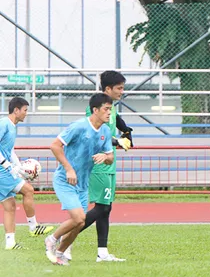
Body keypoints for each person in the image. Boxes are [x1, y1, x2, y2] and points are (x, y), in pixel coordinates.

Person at [44, 93, 114, 266]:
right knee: (78, 218)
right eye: (106, 109)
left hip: (82, 184)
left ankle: (60, 254)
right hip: (65, 180)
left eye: (110, 110)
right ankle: (52, 239)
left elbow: (110, 157)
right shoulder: (79, 126)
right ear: (95, 110)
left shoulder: (105, 130)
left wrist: (104, 157)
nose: (109, 113)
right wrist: (69, 169)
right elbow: (55, 145)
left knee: (79, 224)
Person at [69, 70, 132, 263]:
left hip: (109, 163)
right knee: (102, 207)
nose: (122, 92)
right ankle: (63, 239)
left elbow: (120, 124)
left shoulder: (111, 109)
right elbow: (95, 135)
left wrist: (127, 132)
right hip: (98, 164)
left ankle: (102, 253)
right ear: (108, 89)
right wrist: (118, 142)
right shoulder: (96, 109)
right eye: (119, 88)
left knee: (106, 208)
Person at [0, 97, 53, 250]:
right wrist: (8, 166)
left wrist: (19, 167)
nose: (26, 114)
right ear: (16, 110)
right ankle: (33, 227)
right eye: (25, 110)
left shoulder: (12, 126)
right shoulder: (4, 124)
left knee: (9, 206)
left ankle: (10, 243)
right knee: (28, 190)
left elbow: (8, 150)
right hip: (1, 171)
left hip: (4, 170)